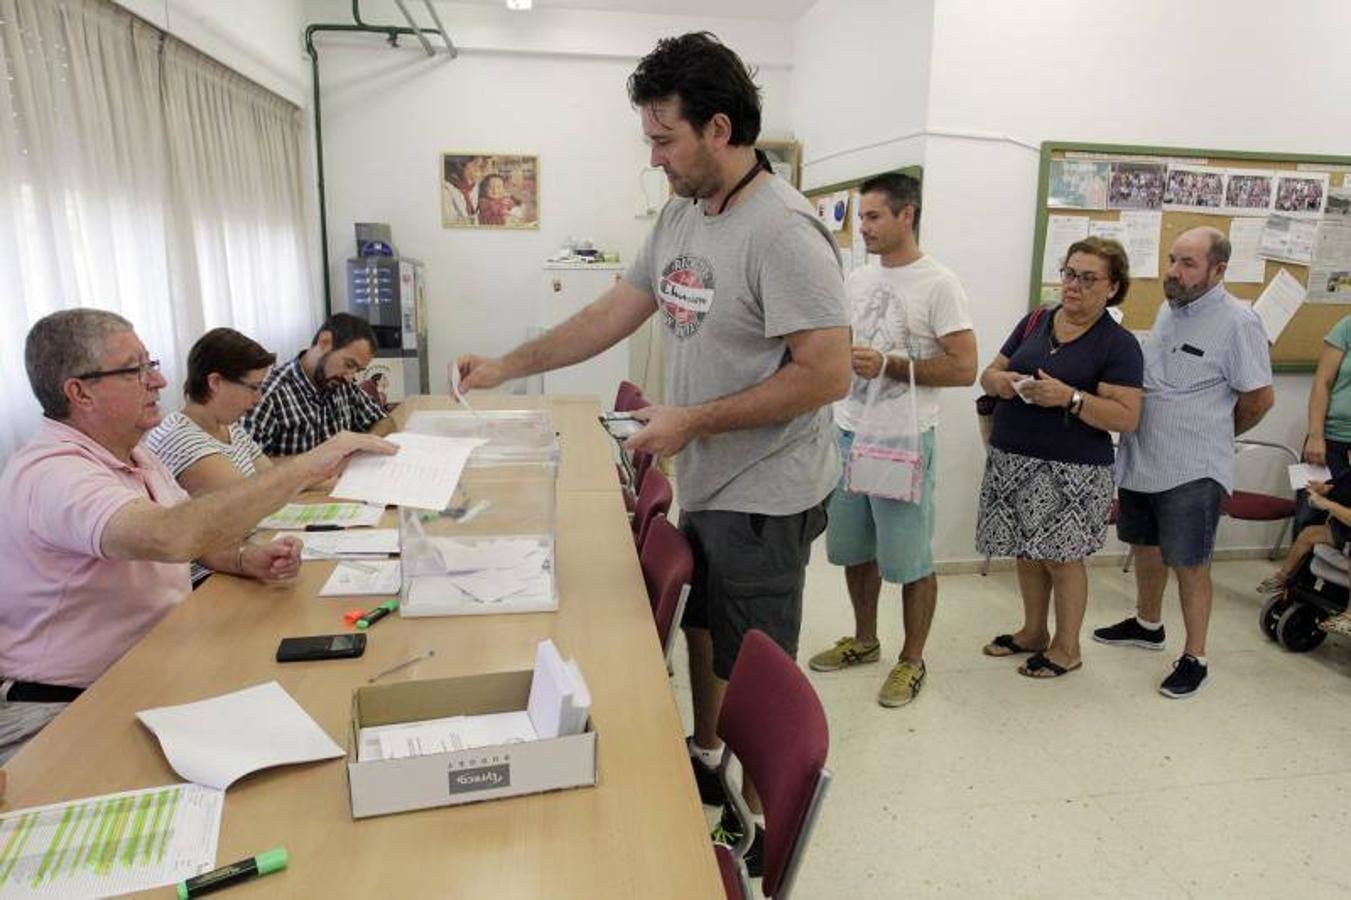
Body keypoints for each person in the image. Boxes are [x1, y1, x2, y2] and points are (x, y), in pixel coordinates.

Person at [454, 32, 849, 874]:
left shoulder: (784, 232)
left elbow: (826, 375)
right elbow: (613, 310)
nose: (655, 158)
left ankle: (737, 819)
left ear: (717, 127)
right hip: (708, 471)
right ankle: (707, 769)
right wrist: (506, 365)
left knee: (747, 659)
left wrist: (694, 421)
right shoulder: (680, 213)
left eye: (664, 139)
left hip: (766, 488)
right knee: (705, 632)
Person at [0, 310, 396, 761]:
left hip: (151, 664)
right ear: (79, 392)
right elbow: (169, 536)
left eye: (151, 364)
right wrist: (315, 461)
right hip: (68, 705)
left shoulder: (133, 455)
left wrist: (244, 559)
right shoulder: (55, 474)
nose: (160, 381)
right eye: (136, 370)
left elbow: (191, 536)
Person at [806, 172, 977, 707]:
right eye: (861, 218)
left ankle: (912, 660)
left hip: (903, 442)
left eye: (874, 216)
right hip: (850, 431)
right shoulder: (857, 280)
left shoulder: (939, 284)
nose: (865, 228)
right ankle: (864, 639)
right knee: (856, 551)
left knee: (909, 559)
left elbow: (964, 368)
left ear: (908, 215)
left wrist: (889, 365)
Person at [1093, 227, 1274, 698]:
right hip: (1144, 456)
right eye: (1173, 260)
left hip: (1194, 466)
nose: (1174, 272)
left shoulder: (1239, 321)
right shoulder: (1167, 310)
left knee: (1190, 562)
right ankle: (1148, 624)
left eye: (1188, 264)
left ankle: (1196, 656)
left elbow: (1260, 398)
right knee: (1146, 547)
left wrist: (1215, 433)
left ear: (1218, 270)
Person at [975, 238, 1144, 679]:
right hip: (1014, 458)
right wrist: (1004, 382)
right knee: (1027, 553)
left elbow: (1127, 417)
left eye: (1089, 279)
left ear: (1113, 288)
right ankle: (1033, 632)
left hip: (1074, 471)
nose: (1073, 286)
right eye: (1070, 273)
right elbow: (988, 372)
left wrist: (1068, 397)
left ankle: (1067, 648)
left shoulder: (1118, 344)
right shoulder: (1035, 321)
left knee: (1062, 558)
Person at [145, 328, 276, 585]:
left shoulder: (228, 425)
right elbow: (249, 502)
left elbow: (270, 478)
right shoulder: (179, 438)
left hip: (236, 555)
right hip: (204, 579)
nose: (258, 398)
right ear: (215, 382)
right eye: (253, 387)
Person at [242, 312, 396, 457]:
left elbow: (385, 421)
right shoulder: (268, 395)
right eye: (349, 364)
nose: (349, 378)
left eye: (357, 370)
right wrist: (319, 460)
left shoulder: (342, 385)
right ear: (324, 342)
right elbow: (247, 468)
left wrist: (367, 442)